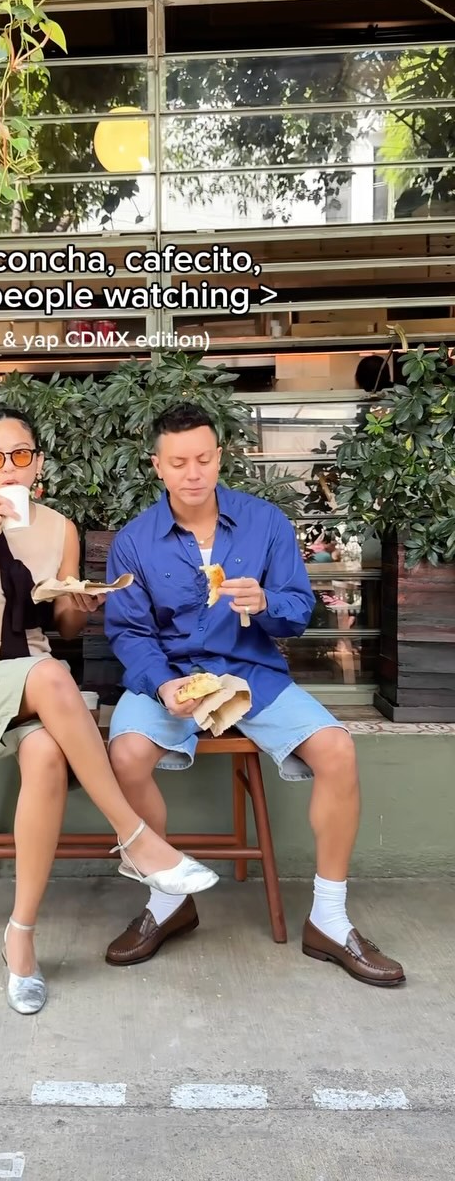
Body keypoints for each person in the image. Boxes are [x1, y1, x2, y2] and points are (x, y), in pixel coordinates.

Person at [0, 405, 217, 1015]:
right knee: (50, 675)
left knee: (47, 750)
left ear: (38, 464)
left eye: (21, 454)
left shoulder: (59, 529)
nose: (9, 467)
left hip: (31, 687)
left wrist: (82, 602)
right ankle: (136, 838)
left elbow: (64, 627)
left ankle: (19, 937)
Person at [103, 403, 405, 988]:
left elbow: (298, 610)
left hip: (252, 671)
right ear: (158, 466)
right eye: (179, 462)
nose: (193, 473)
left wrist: (266, 602)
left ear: (220, 457)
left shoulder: (264, 522)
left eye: (204, 458)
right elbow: (130, 632)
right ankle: (167, 901)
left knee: (337, 749)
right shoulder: (135, 540)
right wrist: (162, 683)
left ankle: (329, 919)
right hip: (173, 673)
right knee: (126, 755)